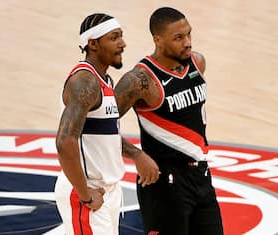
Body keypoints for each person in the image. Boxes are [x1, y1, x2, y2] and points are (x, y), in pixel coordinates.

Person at [114, 7, 224, 235]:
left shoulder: (197, 62)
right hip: (164, 182)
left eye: (189, 34)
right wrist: (136, 154)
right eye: (178, 38)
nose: (187, 42)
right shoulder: (139, 80)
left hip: (201, 175)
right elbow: (98, 127)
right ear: (158, 40)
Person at [54, 13, 159, 235]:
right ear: (93, 44)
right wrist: (85, 194)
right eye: (114, 38)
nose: (123, 44)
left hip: (107, 192)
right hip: (88, 192)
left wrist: (136, 155)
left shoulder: (105, 81)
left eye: (121, 36)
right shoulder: (85, 83)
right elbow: (65, 142)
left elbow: (102, 136)